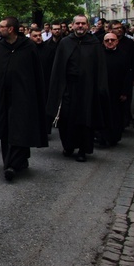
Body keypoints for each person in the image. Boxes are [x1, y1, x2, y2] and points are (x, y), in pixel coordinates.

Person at [0, 17, 48, 181]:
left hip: (24, 97)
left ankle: (12, 165)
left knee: (20, 129)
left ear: (11, 29)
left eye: (2, 26)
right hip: (3, 97)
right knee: (7, 130)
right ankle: (10, 162)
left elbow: (36, 74)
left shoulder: (28, 47)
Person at [46, 14, 110, 162]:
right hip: (68, 86)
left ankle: (83, 149)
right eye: (77, 24)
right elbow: (58, 66)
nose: (80, 26)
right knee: (66, 117)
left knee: (85, 119)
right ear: (72, 25)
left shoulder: (94, 43)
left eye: (83, 24)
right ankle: (68, 146)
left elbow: (100, 68)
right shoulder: (65, 43)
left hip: (87, 89)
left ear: (87, 26)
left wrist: (100, 88)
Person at [101, 33, 132, 146]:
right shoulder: (100, 55)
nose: (110, 42)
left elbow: (127, 75)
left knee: (116, 115)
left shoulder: (123, 56)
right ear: (103, 42)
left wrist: (125, 92)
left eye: (112, 40)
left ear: (117, 41)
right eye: (107, 40)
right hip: (103, 90)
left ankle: (114, 137)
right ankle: (102, 137)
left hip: (117, 91)